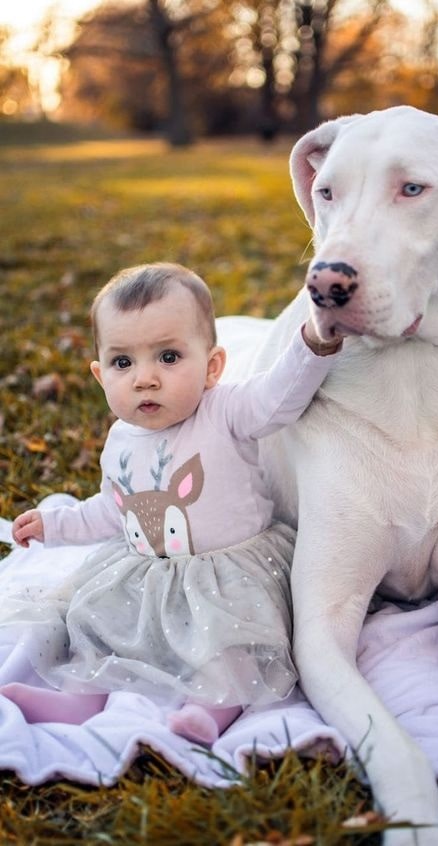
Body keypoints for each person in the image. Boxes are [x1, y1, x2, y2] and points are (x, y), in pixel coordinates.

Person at [2, 262, 343, 745]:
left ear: (212, 366)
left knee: (231, 644)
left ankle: (213, 708)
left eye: (167, 356)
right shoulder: (121, 438)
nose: (145, 379)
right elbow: (110, 510)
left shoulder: (224, 410)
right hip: (149, 577)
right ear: (100, 376)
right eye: (124, 363)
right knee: (100, 624)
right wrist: (54, 525)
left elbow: (278, 398)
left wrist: (314, 345)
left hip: (229, 577)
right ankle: (79, 696)